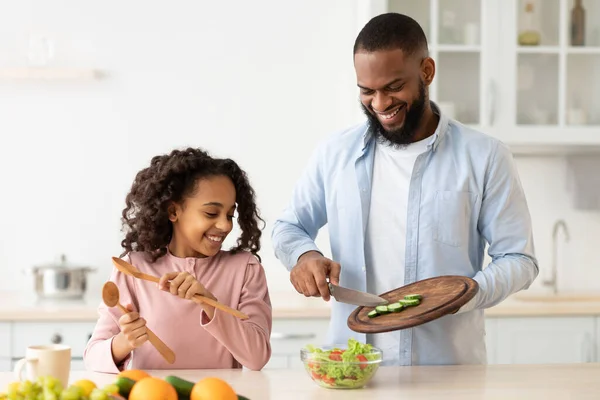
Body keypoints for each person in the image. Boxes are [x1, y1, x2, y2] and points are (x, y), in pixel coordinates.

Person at [271, 13, 538, 366]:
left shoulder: (485, 156)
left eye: (394, 87)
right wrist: (304, 257)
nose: (380, 104)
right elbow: (289, 227)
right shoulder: (334, 154)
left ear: (426, 71)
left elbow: (519, 259)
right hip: (352, 371)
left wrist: (466, 293)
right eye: (367, 91)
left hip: (448, 373)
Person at [84, 147, 272, 372]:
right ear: (173, 211)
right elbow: (93, 356)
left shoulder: (245, 269)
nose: (225, 225)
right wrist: (123, 343)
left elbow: (257, 357)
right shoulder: (134, 268)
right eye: (212, 213)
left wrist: (209, 303)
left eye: (230, 215)